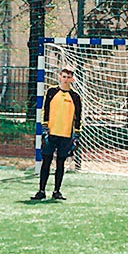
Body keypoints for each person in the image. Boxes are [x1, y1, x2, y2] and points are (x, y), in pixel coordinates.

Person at [31, 66, 82, 201]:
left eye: (68, 77)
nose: (65, 79)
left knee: (61, 163)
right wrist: (45, 129)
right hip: (51, 133)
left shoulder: (75, 97)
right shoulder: (51, 92)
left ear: (72, 79)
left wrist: (77, 135)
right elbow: (45, 110)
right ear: (59, 77)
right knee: (46, 161)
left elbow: (78, 117)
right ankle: (41, 191)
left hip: (65, 135)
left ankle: (57, 191)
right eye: (63, 76)